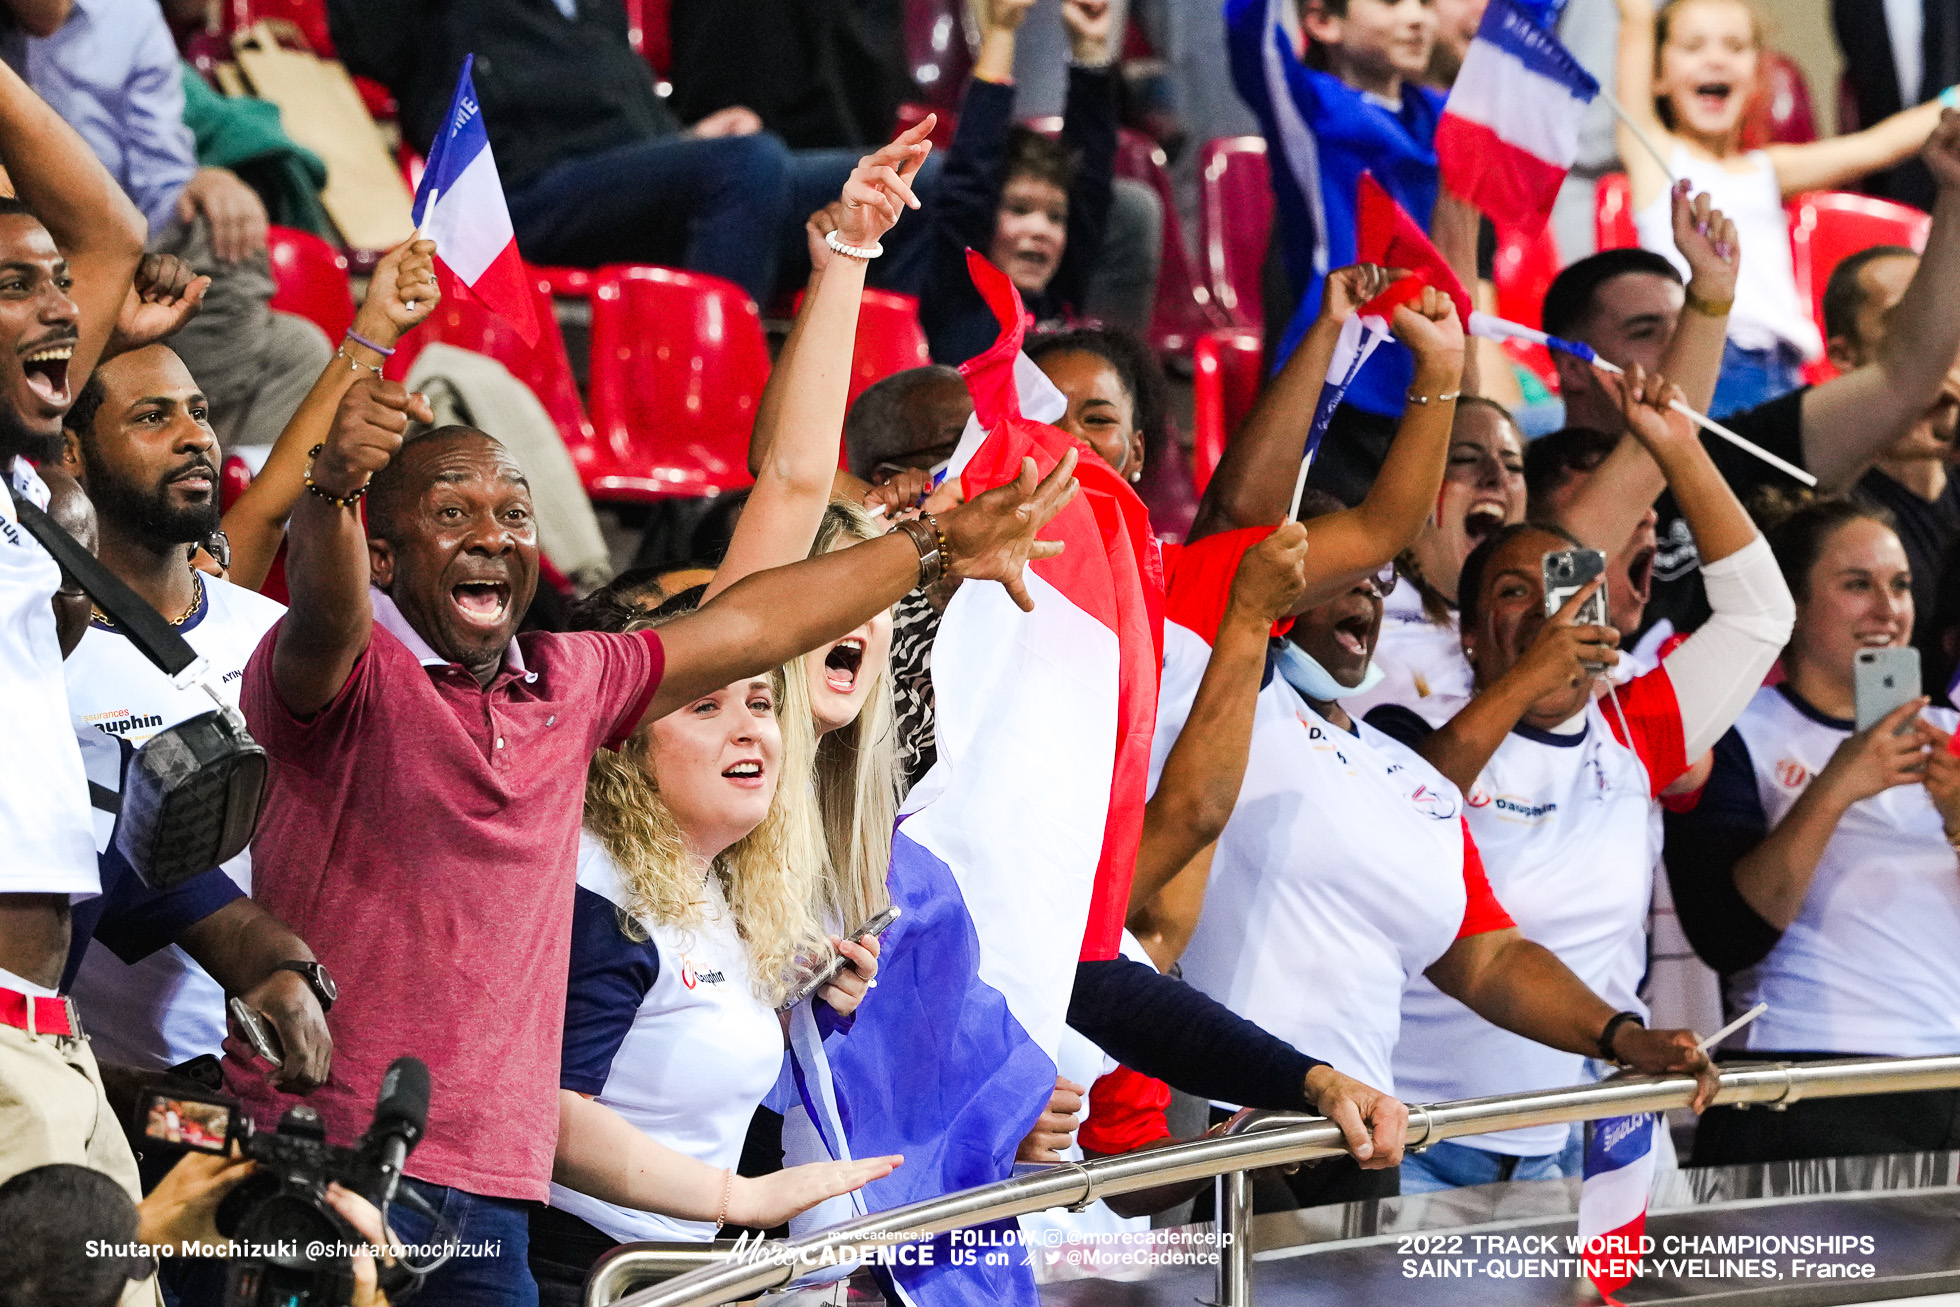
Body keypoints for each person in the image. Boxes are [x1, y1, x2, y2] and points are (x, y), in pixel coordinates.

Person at [228, 235, 1075, 1304]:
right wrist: (331, 492)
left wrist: (933, 553)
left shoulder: (569, 681)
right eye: (452, 514)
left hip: (489, 1201)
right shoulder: (345, 680)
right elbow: (322, 611)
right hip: (326, 1166)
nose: (493, 537)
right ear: (386, 553)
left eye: (513, 514)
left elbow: (752, 622)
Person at [1153, 482, 1720, 1210]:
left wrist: (1618, 1034)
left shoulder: (1399, 771)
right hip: (1228, 1139)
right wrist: (1433, 378)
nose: (1365, 589)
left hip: (1362, 1146)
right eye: (1341, 568)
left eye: (1380, 574)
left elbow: (1487, 956)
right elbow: (1234, 509)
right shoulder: (1226, 701)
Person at [1369, 368, 1792, 1190]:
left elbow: (1760, 614)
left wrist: (1675, 445)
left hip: (1590, 1122)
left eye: (1566, 593)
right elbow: (1405, 817)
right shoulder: (1405, 726)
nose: (1546, 612)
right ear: (1466, 632)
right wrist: (1527, 680)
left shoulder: (1633, 727)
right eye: (1512, 592)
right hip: (1426, 1132)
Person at [531, 594, 899, 1305]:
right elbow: (551, 1115)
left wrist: (802, 999)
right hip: (574, 1269)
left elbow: (672, 1056)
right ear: (627, 743)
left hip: (664, 1271)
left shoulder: (713, 885)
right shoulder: (605, 889)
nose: (750, 730)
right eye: (705, 706)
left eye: (761, 703)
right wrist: (742, 1197)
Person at [1540, 112, 1960, 638]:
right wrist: (1709, 299)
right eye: (1646, 331)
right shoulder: (1533, 487)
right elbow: (1560, 605)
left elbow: (1907, 375)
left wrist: (1954, 195)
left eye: (1688, 323)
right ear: (1575, 367)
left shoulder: (1732, 457)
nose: (1682, 347)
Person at [55, 341, 335, 1090]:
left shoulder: (269, 633)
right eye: (153, 416)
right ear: (70, 454)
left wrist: (283, 969)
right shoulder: (45, 669)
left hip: (249, 1087)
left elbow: (193, 895)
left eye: (202, 413)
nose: (194, 436)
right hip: (109, 1080)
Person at [1663, 498, 1960, 1164]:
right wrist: (1835, 784)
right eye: (1858, 584)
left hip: (1947, 1076)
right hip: (1799, 1082)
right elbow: (1726, 932)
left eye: (1902, 585)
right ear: (1793, 604)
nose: (1889, 609)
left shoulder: (1954, 726)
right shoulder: (1738, 728)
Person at [0, 38, 155, 1233]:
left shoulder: (20, 489)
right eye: (16, 284)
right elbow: (105, 228)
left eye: (58, 284)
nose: (63, 307)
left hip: (58, 1039)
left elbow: (105, 235)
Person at [327, 0, 851, 306]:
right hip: (523, 189)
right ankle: (708, 417)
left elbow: (619, 103)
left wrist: (688, 140)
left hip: (624, 178)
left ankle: (903, 436)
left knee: (894, 178)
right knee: (747, 163)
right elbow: (366, 43)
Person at [5, 0, 337, 453]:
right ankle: (153, 444)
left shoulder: (127, 15)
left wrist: (201, 180)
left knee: (300, 349)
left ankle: (198, 479)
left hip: (123, 241)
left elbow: (157, 186)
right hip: (34, 240)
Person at [1615, 0, 1952, 414]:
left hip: (1787, 372)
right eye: (1693, 46)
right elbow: (1635, 22)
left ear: (1758, 75)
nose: (1716, 60)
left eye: (1735, 47)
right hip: (1705, 363)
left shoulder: (1767, 168)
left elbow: (1877, 145)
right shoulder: (1655, 155)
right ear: (1658, 75)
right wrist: (1637, 17)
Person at [1224, 0, 1483, 505]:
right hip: (1332, 385)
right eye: (1391, 2)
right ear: (1322, 20)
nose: (1417, 18)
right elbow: (1252, 38)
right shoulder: (1308, 109)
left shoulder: (1444, 118)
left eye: (1426, 2)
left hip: (1425, 373)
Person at [867, 0, 1121, 366]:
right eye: (1018, 209)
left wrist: (1090, 49)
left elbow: (1092, 178)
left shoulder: (1059, 296)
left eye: (1055, 217)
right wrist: (1001, 34)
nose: (1041, 229)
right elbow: (971, 176)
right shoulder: (958, 295)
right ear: (985, 220)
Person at [1338, 397, 1527, 723]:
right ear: (1409, 488)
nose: (1496, 476)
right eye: (1465, 459)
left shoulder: (1541, 619)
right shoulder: (1362, 611)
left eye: (1513, 466)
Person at [1820, 244, 1960, 630]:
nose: (1939, 338)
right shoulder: (1823, 499)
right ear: (1844, 356)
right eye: (1909, 318)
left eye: (1947, 314)